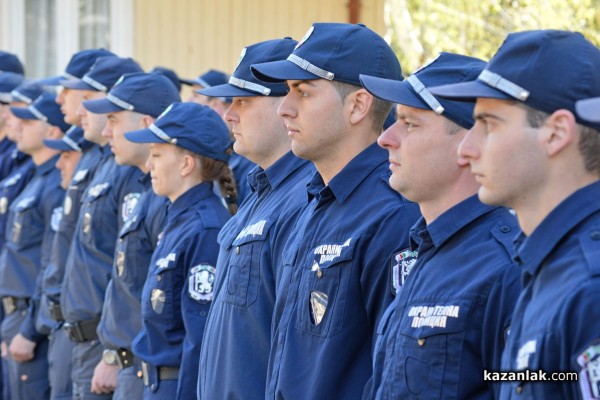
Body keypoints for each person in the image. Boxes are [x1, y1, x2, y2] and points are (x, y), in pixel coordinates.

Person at [251, 22, 421, 399]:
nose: (284, 108)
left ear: (358, 105)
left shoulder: (391, 215)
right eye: (287, 92)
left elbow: (394, 373)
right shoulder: (314, 204)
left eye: (304, 92)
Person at [429, 30, 600, 399]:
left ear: (556, 133)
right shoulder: (548, 264)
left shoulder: (590, 287)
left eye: (489, 124)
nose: (466, 149)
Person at [359, 52, 521, 399]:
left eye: (409, 123)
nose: (385, 138)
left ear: (468, 142)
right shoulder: (426, 248)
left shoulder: (504, 270)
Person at [196, 37, 315, 399]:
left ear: (285, 107)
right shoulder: (261, 191)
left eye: (243, 101)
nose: (229, 114)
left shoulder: (306, 198)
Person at [81, 71, 180, 399]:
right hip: (126, 364)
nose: (106, 130)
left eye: (114, 119)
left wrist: (117, 354)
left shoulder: (170, 198)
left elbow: (161, 300)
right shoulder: (146, 189)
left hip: (144, 368)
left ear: (145, 124)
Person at [127, 102, 234, 399]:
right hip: (154, 383)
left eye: (158, 155)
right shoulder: (180, 220)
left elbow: (198, 341)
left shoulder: (205, 230)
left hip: (177, 388)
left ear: (187, 164)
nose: (150, 165)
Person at [59, 55, 145, 400]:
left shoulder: (130, 167)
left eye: (107, 112)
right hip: (82, 337)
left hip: (105, 342)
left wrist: (112, 350)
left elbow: (128, 268)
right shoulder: (106, 161)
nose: (82, 112)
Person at [39, 48, 113, 400]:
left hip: (99, 338)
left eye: (70, 91)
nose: (60, 99)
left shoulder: (121, 165)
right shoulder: (90, 156)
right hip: (68, 328)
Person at [0, 92, 69, 399]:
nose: (18, 125)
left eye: (30, 121)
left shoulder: (56, 185)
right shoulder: (35, 177)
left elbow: (51, 263)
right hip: (15, 313)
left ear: (52, 131)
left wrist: (28, 330)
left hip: (33, 320)